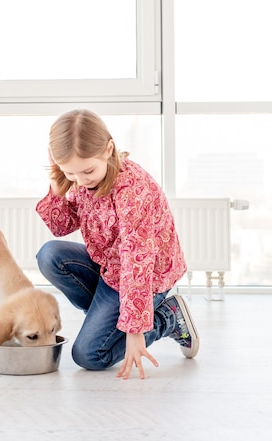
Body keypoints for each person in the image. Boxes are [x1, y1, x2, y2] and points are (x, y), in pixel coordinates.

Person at [35, 108, 199, 380]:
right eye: (70, 173)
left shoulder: (132, 188)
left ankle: (168, 317)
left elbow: (138, 261)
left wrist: (136, 332)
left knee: (89, 355)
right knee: (50, 254)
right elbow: (61, 226)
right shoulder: (79, 179)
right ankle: (111, 320)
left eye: (87, 171)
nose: (81, 181)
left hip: (143, 275)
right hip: (109, 269)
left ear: (108, 149)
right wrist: (56, 183)